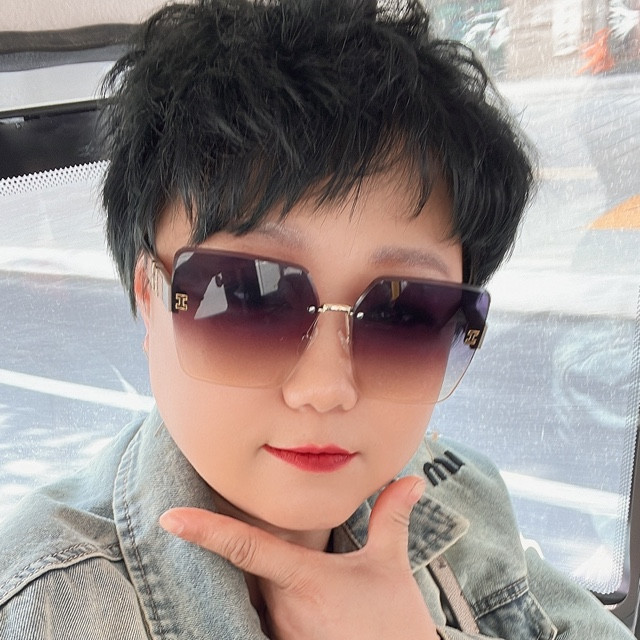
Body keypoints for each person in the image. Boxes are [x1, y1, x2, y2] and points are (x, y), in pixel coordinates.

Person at [0, 1, 634, 638]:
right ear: (148, 296)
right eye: (248, 298)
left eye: (405, 315)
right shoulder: (47, 609)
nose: (326, 389)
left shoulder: (457, 487)